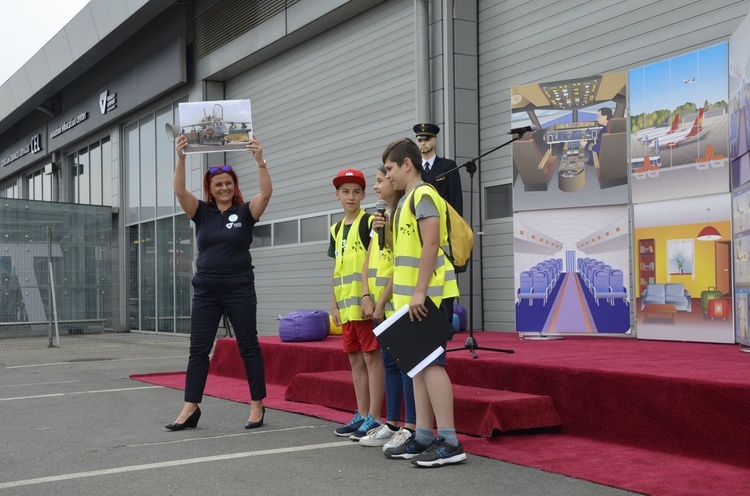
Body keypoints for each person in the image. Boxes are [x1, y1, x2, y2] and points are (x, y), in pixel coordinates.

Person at [166, 132, 271, 431]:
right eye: (218, 185)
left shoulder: (245, 212)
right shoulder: (201, 212)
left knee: (248, 346)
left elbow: (266, 194)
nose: (224, 188)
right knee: (198, 349)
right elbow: (179, 190)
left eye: (228, 183)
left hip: (239, 287)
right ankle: (191, 406)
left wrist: (259, 161)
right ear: (210, 190)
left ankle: (257, 404)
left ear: (234, 187)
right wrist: (182, 157)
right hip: (206, 290)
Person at [380, 137, 466, 467]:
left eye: (390, 169)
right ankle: (425, 435)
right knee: (418, 367)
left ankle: (450, 440)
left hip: (427, 297)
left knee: (432, 365)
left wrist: (418, 292)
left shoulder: (423, 195)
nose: (387, 177)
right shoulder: (405, 202)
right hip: (411, 301)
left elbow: (430, 244)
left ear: (407, 164)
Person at [358, 166, 416, 449]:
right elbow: (369, 260)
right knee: (390, 363)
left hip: (396, 302)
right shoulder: (378, 220)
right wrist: (366, 294)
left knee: (406, 365)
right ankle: (392, 422)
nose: (377, 187)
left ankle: (412, 426)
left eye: (381, 180)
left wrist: (381, 301)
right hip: (378, 302)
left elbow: (401, 261)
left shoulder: (404, 214)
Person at [329, 168, 385, 441]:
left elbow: (373, 261)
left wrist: (367, 298)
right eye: (345, 191)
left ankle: (374, 416)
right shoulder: (336, 229)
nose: (350, 197)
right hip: (346, 308)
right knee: (355, 360)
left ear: (364, 195)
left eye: (356, 191)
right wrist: (335, 305)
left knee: (371, 359)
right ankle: (361, 414)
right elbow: (337, 270)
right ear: (337, 195)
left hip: (365, 305)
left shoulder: (368, 223)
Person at [413, 123, 463, 217]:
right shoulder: (413, 168)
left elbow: (456, 199)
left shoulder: (448, 166)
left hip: (443, 219)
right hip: (418, 220)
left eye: (427, 139)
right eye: (420, 140)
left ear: (435, 141)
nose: (423, 143)